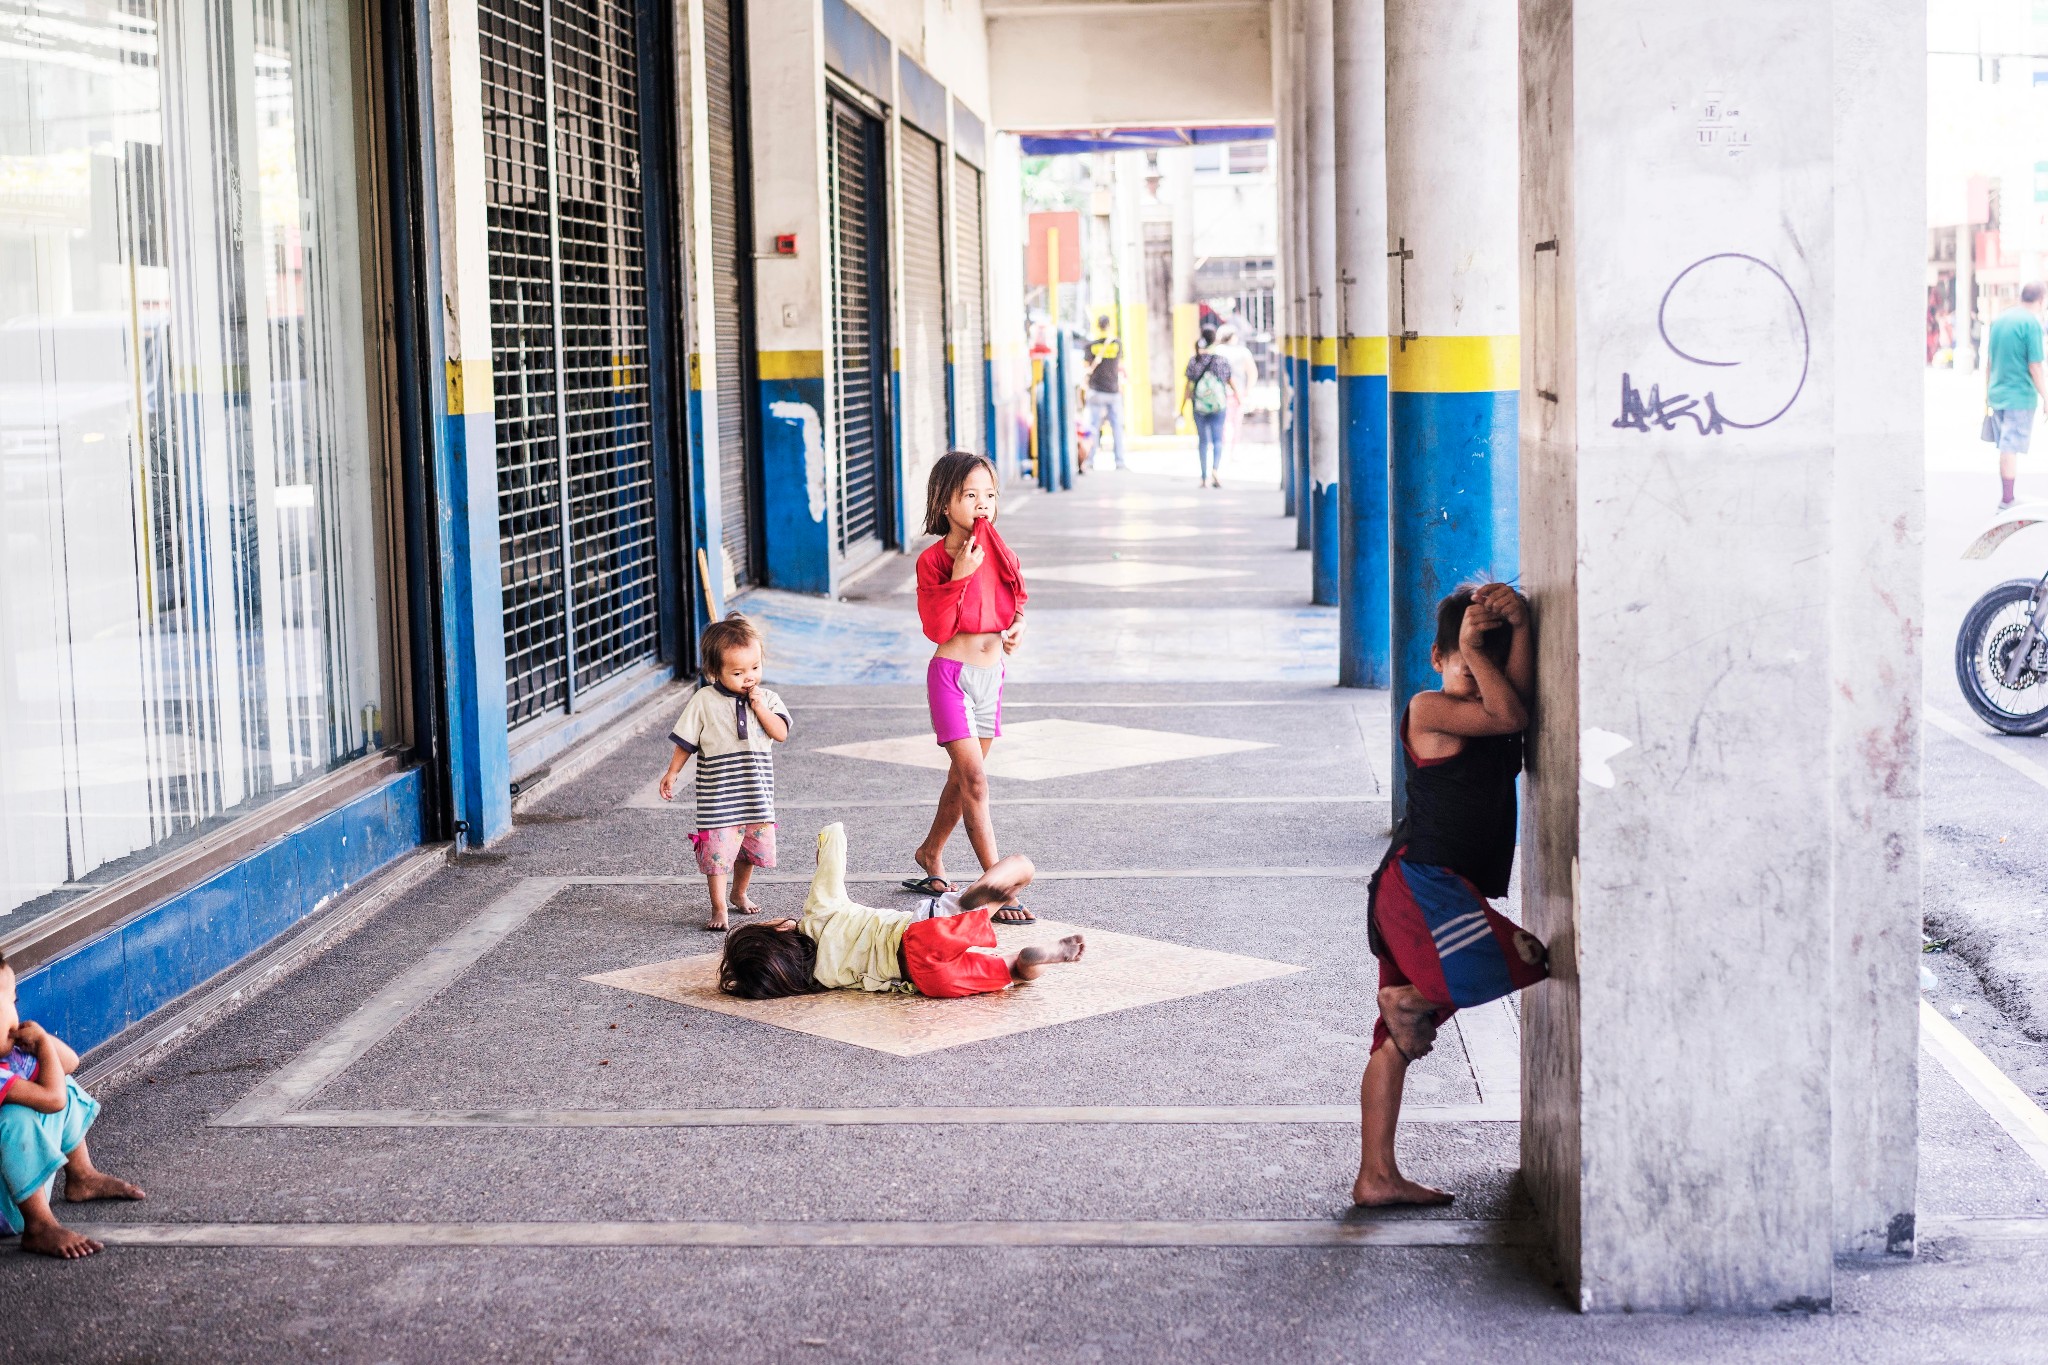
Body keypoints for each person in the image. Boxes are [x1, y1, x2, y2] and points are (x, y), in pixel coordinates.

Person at [1353, 583, 1550, 1209]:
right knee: (1528, 957)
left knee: (1394, 1039)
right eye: (1464, 662)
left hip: (1434, 889)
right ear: (1437, 658)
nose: (1476, 676)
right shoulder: (1428, 708)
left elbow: (1513, 700)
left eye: (1484, 662)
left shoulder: (1493, 698)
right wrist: (1475, 646)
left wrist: (1513, 630)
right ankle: (1413, 993)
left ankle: (1375, 1176)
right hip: (1420, 886)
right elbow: (1510, 715)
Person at [720, 824, 1085, 1000]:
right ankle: (997, 891)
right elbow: (833, 848)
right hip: (922, 933)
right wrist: (827, 839)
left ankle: (1028, 963)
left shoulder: (819, 979)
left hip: (926, 980)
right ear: (781, 930)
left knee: (1011, 972)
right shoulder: (818, 913)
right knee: (1019, 866)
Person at [909, 451, 1033, 921]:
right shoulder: (933, 561)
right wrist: (959, 578)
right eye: (970, 495)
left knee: (961, 779)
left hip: (991, 676)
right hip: (951, 679)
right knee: (976, 780)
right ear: (945, 503)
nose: (983, 504)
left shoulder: (1003, 553)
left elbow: (1016, 598)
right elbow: (937, 628)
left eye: (990, 495)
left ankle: (929, 852)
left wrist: (1019, 624)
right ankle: (998, 888)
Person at [0, 954, 145, 1258]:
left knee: (60, 1079)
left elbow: (69, 1062)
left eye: (14, 1000)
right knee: (15, 1118)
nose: (16, 1014)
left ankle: (82, 1177)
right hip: (6, 1208)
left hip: (20, 1188)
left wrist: (42, 1044)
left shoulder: (9, 1058)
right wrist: (41, 1048)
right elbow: (53, 1102)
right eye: (9, 1004)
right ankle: (39, 1226)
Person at [658, 613, 792, 932]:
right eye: (738, 672)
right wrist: (672, 773)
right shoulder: (703, 701)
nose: (750, 677)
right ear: (714, 672)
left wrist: (759, 707)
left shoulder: (768, 699)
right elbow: (686, 743)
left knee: (749, 851)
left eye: (755, 668)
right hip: (718, 799)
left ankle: (739, 893)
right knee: (717, 854)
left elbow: (781, 733)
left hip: (756, 797)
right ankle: (719, 907)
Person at [1984, 282, 2048, 510]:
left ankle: (2007, 496)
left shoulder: (2000, 320)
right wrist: (2046, 396)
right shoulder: (2031, 323)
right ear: (2041, 300)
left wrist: (1986, 392)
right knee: (2009, 447)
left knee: (2005, 445)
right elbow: (2035, 366)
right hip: (2018, 395)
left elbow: (1989, 361)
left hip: (1998, 393)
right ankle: (2007, 499)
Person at [1181, 327, 1232, 489]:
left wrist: (1182, 407)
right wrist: (1238, 397)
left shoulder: (1194, 360)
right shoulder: (1221, 360)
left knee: (1203, 441)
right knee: (1218, 440)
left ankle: (1204, 477)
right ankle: (1215, 470)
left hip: (1199, 406)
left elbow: (1188, 387)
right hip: (1219, 406)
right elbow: (1229, 381)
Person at [1211, 322, 1258, 475]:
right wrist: (1247, 391)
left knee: (1224, 423)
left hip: (1220, 393)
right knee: (1235, 422)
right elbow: (1252, 373)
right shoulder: (1243, 352)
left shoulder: (1217, 352)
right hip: (1238, 393)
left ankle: (1223, 449)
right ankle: (1233, 450)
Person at [1083, 316, 1128, 471]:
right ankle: (1120, 461)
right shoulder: (1117, 344)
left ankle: (1089, 460)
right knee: (1117, 428)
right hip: (1113, 392)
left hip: (1095, 391)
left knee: (1093, 428)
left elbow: (1087, 367)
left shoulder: (1091, 346)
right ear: (1109, 325)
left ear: (1097, 326)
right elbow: (1120, 366)